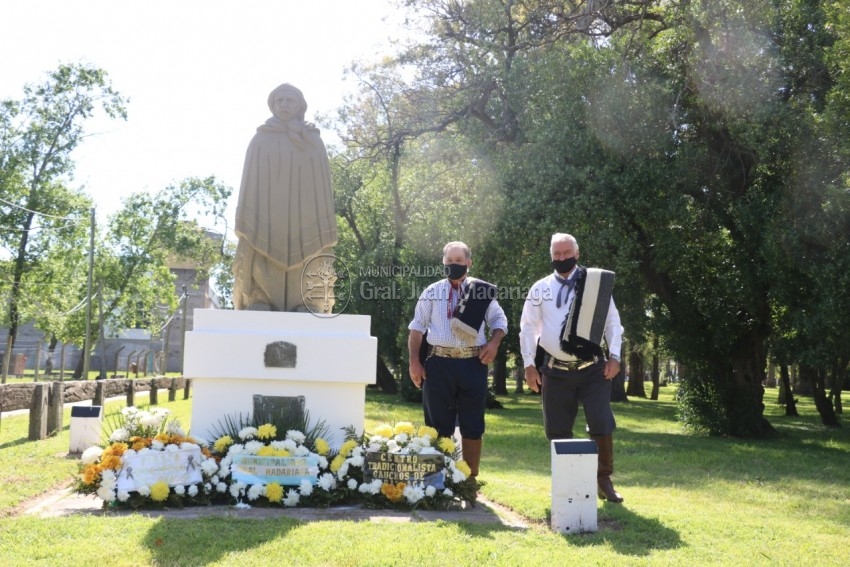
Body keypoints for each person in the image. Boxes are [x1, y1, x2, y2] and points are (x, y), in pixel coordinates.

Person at [519, 233, 625, 502]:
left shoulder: (595, 284)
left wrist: (615, 356)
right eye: (557, 254)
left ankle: (603, 480)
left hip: (593, 369)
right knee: (557, 429)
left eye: (567, 253)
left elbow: (613, 323)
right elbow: (528, 328)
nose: (562, 258)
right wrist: (529, 365)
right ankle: (565, 484)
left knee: (601, 422)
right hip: (554, 370)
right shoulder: (539, 288)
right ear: (551, 256)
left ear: (577, 253)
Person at [233, 83, 338, 313]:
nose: (284, 104)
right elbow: (250, 181)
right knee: (260, 251)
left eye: (289, 100)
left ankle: (308, 301)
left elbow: (321, 184)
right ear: (272, 106)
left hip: (305, 214)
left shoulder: (313, 140)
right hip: (267, 213)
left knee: (311, 252)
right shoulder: (260, 139)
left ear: (299, 105)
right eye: (279, 100)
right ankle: (259, 298)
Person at [408, 242, 508, 479]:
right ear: (444, 263)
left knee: (473, 426)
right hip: (438, 365)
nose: (454, 265)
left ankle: (469, 483)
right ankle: (436, 483)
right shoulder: (431, 292)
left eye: (459, 261)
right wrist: (414, 362)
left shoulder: (481, 292)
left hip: (473, 364)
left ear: (468, 263)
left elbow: (500, 322)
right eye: (449, 261)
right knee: (436, 427)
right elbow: (416, 330)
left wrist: (493, 344)